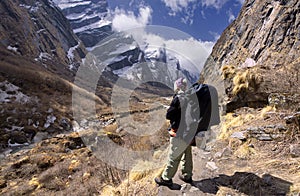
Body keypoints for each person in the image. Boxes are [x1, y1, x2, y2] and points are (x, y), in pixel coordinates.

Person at [155, 77, 194, 186]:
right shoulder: (192, 97)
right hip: (189, 131)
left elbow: (169, 115)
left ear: (178, 86)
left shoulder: (178, 98)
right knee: (187, 155)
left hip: (178, 132)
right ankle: (187, 175)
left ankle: (166, 179)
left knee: (174, 156)